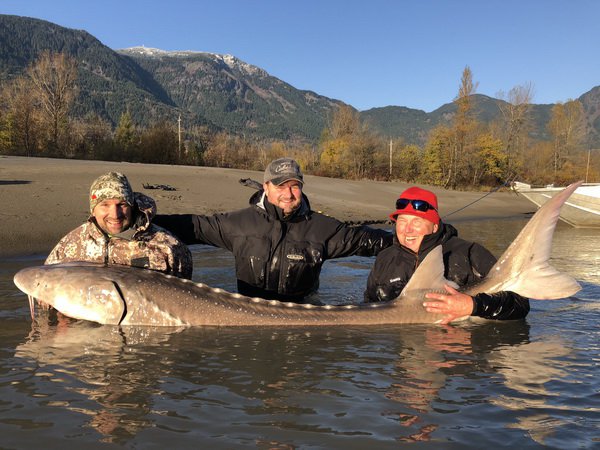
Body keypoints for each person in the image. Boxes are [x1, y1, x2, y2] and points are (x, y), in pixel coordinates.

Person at [153, 157, 392, 302]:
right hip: (248, 313)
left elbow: (366, 240)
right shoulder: (239, 223)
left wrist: (415, 241)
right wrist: (137, 221)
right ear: (266, 186)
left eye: (295, 187)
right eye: (280, 186)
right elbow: (192, 226)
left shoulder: (323, 229)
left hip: (304, 314)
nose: (288, 194)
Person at [363, 186, 530, 323]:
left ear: (435, 226)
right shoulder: (385, 259)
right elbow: (369, 306)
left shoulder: (469, 253)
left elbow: (520, 304)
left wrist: (473, 305)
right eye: (402, 221)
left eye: (417, 221)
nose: (408, 229)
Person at [46, 171, 193, 279]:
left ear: (132, 206)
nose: (115, 214)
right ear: (93, 210)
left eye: (122, 204)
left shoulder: (169, 247)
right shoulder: (67, 247)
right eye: (105, 205)